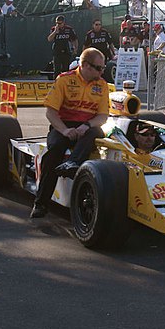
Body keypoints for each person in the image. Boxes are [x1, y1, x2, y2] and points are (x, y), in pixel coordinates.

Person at [31, 48, 109, 218]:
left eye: (103, 68)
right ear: (86, 65)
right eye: (99, 68)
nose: (102, 72)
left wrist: (86, 125)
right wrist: (65, 130)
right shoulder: (64, 80)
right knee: (54, 152)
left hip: (87, 128)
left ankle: (72, 164)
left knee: (96, 132)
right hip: (63, 126)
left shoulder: (102, 85)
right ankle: (40, 203)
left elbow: (103, 116)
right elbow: (50, 112)